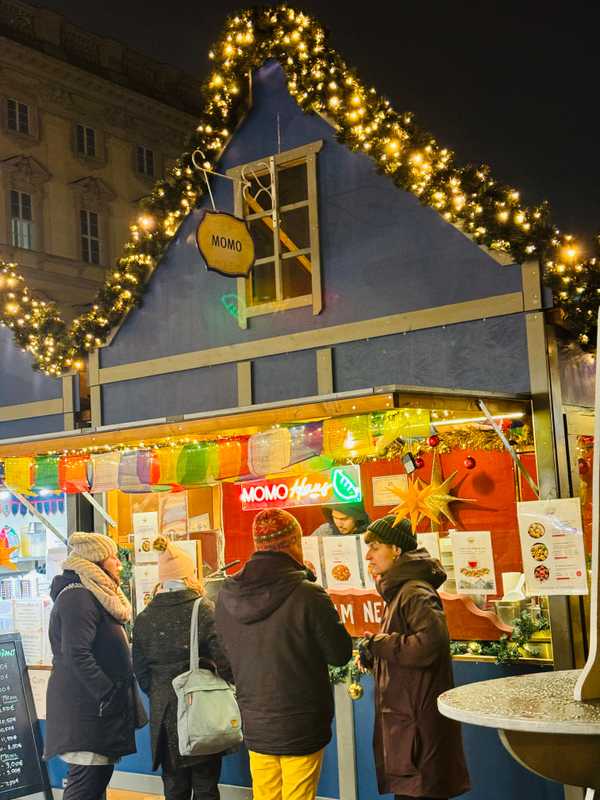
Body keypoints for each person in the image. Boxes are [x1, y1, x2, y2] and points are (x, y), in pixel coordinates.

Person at [215, 508, 353, 800]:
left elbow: (223, 661)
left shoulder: (227, 594)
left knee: (265, 795)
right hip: (302, 720)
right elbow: (339, 653)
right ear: (294, 542)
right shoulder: (307, 594)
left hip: (255, 718)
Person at [360, 515, 470, 800]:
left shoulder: (414, 592)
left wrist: (380, 643)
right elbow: (406, 650)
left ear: (396, 549)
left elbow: (429, 645)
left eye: (375, 547)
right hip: (408, 727)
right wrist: (373, 654)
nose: (368, 555)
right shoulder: (400, 591)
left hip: (418, 732)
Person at [45, 532, 145, 800]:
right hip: (86, 712)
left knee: (95, 783)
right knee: (86, 786)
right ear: (97, 561)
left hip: (96, 711)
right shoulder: (77, 597)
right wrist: (108, 693)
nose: (119, 563)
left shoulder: (95, 593)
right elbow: (77, 654)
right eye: (113, 557)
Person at [132, 537, 232, 800]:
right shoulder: (203, 609)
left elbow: (141, 671)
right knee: (206, 785)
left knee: (174, 786)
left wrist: (161, 691)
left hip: (164, 714)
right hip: (200, 708)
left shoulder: (144, 618)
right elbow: (224, 659)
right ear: (190, 577)